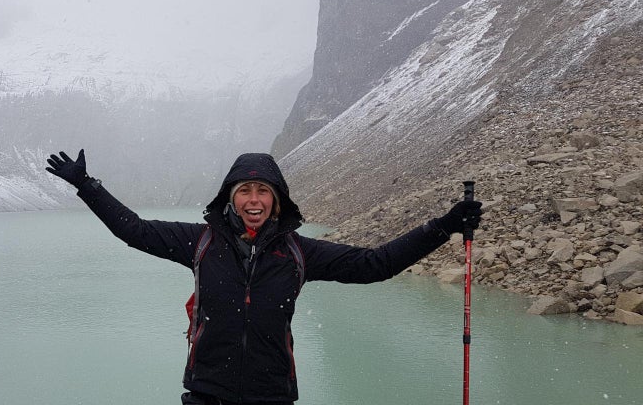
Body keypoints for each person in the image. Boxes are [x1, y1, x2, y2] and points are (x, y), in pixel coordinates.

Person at [45, 149, 482, 405]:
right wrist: (88, 185)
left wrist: (442, 226)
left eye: (263, 192)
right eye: (244, 191)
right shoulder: (200, 243)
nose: (253, 200)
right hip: (206, 394)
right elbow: (134, 230)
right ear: (230, 199)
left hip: (272, 396)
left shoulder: (298, 251)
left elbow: (375, 265)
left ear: (276, 200)